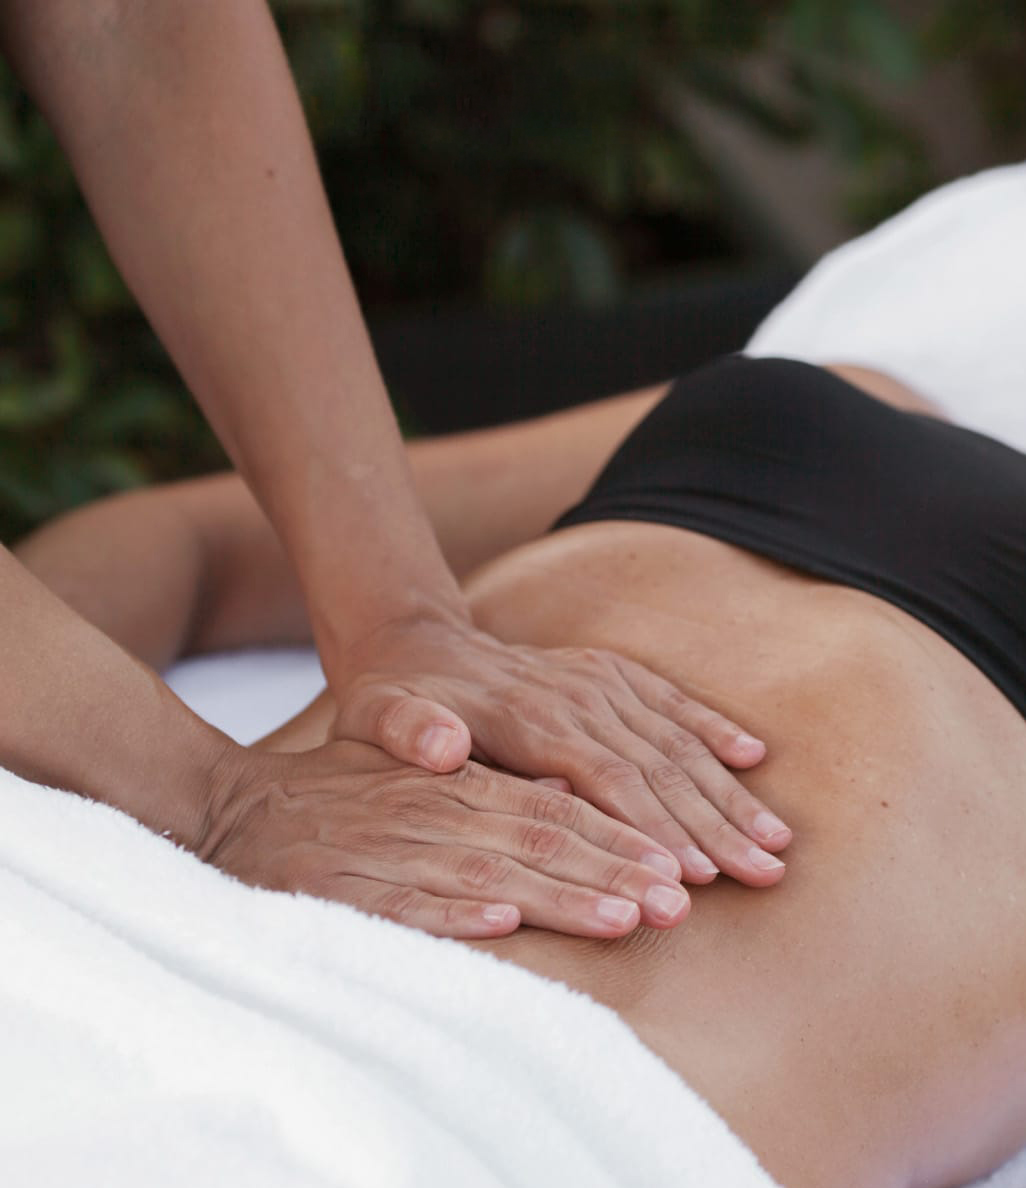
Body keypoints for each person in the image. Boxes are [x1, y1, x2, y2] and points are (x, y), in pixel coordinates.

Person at [19, 302, 1026, 1188]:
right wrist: (117, 795)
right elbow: (188, 544)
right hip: (117, 925)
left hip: (532, 1145)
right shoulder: (860, 396)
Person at [0, 0, 792, 936]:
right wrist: (208, 797)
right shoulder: (803, 419)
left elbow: (133, 24)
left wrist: (396, 618)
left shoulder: (810, 420)